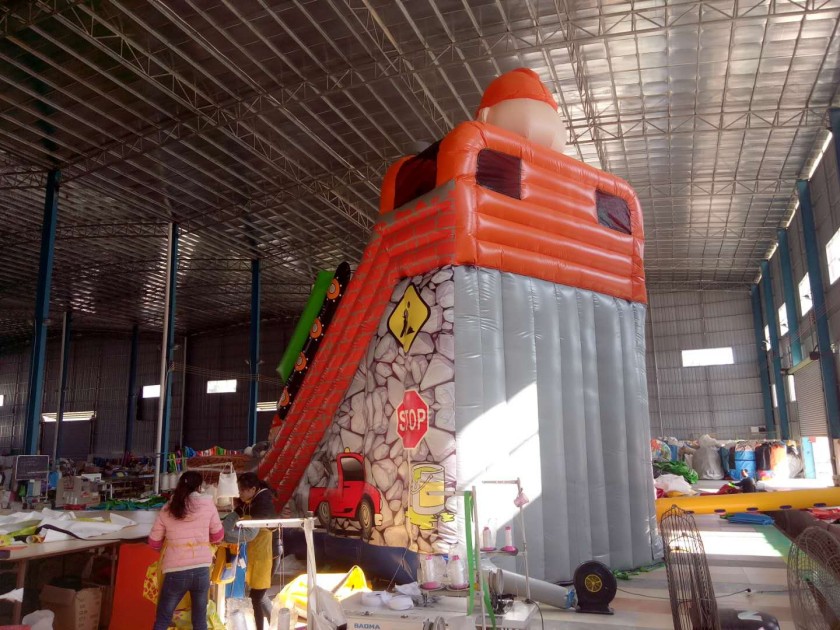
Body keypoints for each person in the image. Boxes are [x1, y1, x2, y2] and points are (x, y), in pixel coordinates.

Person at [148, 471, 224, 630]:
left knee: (163, 619)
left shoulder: (168, 508)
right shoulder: (208, 504)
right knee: (199, 619)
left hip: (175, 571)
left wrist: (166, 549)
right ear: (199, 487)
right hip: (202, 570)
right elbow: (218, 536)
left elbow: (154, 542)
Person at [235, 472, 281, 630]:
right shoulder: (253, 500)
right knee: (260, 594)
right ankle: (276, 625)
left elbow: (256, 524)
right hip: (259, 553)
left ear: (253, 489)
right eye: (239, 490)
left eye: (242, 490)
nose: (240, 493)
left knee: (256, 596)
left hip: (269, 553)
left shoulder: (263, 503)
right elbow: (242, 511)